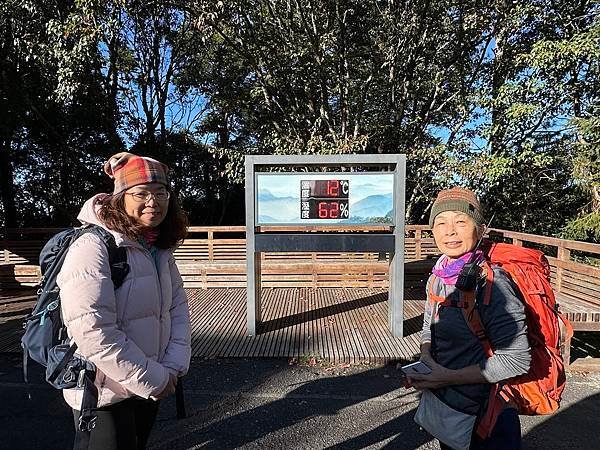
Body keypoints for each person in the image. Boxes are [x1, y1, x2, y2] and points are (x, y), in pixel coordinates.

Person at [57, 152, 191, 449]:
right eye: (141, 193)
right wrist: (153, 377)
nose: (153, 202)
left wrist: (173, 366)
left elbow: (177, 309)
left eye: (161, 192)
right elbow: (91, 329)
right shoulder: (93, 246)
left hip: (151, 382)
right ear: (120, 197)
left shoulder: (158, 247)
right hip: (102, 391)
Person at [408, 187, 531, 450]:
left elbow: (517, 360)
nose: (449, 231)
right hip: (450, 411)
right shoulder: (438, 276)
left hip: (489, 419)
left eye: (460, 221)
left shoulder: (493, 285)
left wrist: (446, 377)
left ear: (480, 229)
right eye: (440, 223)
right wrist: (426, 360)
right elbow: (429, 324)